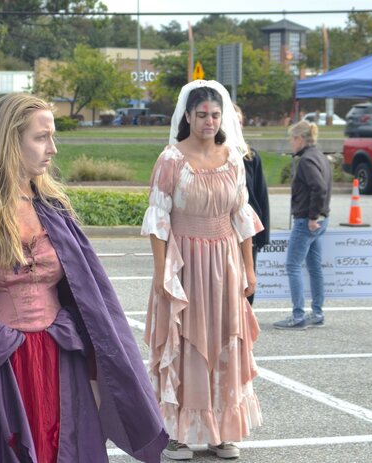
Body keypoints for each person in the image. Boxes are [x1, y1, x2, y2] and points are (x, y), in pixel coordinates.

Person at [0, 93, 168, 462]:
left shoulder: (53, 209)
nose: (53, 148)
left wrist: (99, 369)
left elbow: (91, 300)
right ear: (10, 140)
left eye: (52, 136)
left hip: (59, 364)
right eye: (41, 137)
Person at [142, 80, 263, 461]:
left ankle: (221, 432)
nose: (209, 121)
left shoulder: (232, 159)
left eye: (214, 114)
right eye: (201, 115)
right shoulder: (171, 159)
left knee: (225, 340)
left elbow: (241, 217)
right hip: (186, 263)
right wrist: (163, 273)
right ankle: (180, 433)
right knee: (187, 343)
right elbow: (159, 219)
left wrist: (249, 269)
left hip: (225, 263)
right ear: (188, 117)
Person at [273, 120, 333, 330]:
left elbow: (318, 187)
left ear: (299, 139)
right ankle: (317, 311)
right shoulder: (320, 156)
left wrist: (312, 217)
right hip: (322, 219)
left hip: (308, 220)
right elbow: (322, 188)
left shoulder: (307, 161)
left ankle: (297, 315)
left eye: (291, 139)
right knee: (314, 266)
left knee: (292, 265)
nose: (291, 143)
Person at [234, 104, 271, 305]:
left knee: (248, 282)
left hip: (249, 231)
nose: (237, 125)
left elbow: (261, 196)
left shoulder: (251, 157)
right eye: (233, 121)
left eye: (240, 122)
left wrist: (263, 235)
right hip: (226, 232)